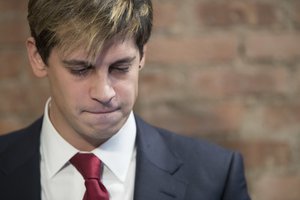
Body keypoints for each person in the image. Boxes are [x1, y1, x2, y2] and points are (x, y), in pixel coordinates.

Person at [0, 0, 251, 199]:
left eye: (120, 67)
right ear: (37, 57)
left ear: (142, 55)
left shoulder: (216, 177)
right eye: (80, 69)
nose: (104, 93)